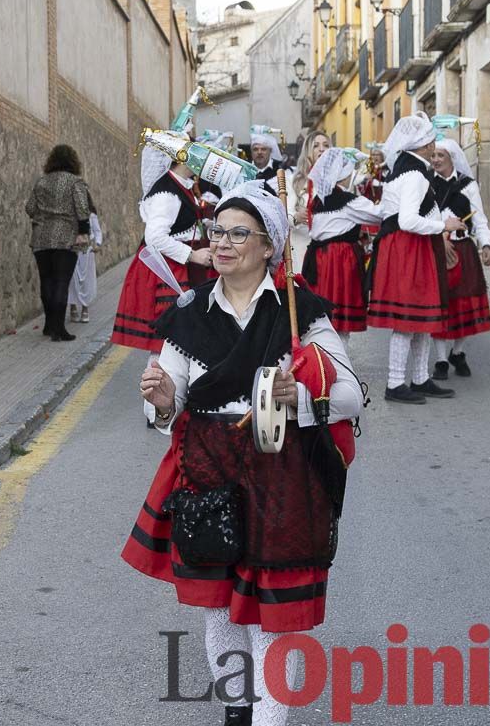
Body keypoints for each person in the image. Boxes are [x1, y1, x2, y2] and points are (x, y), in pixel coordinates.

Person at [124, 182, 364, 726]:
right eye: (217, 231)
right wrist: (163, 403)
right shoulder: (188, 313)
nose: (224, 243)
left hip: (282, 468)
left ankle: (269, 721)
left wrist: (298, 395)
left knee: (273, 614)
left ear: (268, 246)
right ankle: (236, 710)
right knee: (219, 602)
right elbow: (173, 400)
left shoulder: (302, 313)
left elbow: (350, 393)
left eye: (239, 233)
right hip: (207, 466)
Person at [369, 113, 468, 403]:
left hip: (412, 247)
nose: (434, 144)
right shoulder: (413, 175)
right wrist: (444, 226)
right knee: (407, 319)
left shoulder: (407, 170)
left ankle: (420, 378)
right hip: (408, 247)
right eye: (430, 139)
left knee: (421, 317)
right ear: (423, 144)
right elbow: (408, 220)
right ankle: (395, 382)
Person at [111, 150, 211, 353]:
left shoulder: (179, 186)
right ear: (183, 159)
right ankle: (158, 383)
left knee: (176, 341)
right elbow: (154, 238)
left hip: (174, 267)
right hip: (166, 271)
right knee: (167, 343)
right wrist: (193, 255)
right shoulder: (167, 193)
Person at [429, 138, 490, 379]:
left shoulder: (468, 185)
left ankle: (458, 351)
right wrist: (439, 235)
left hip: (463, 248)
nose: (435, 159)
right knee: (439, 304)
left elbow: (479, 219)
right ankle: (441, 360)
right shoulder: (427, 184)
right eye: (433, 155)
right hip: (437, 248)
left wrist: (486, 243)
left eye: (440, 156)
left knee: (463, 303)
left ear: (452, 159)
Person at [302, 148, 383, 336]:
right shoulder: (347, 201)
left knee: (322, 319)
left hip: (320, 258)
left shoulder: (318, 200)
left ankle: (326, 359)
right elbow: (378, 215)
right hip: (338, 260)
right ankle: (338, 362)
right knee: (338, 319)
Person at [26, 145, 92, 342]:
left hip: (41, 238)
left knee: (46, 280)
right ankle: (59, 329)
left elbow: (30, 207)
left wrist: (43, 217)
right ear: (73, 161)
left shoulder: (41, 182)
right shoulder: (75, 182)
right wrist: (83, 231)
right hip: (65, 237)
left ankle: (48, 325)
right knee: (61, 281)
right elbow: (82, 207)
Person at [68, 191, 102, 324]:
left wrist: (98, 244)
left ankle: (85, 309)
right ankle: (72, 307)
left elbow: (97, 231)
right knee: (71, 281)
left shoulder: (91, 215)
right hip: (71, 252)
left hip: (86, 253)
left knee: (85, 281)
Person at [249, 131, 297, 221]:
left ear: (270, 151)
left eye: (263, 149)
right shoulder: (245, 171)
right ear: (251, 151)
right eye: (255, 149)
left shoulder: (282, 170)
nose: (259, 152)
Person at [293, 130, 331, 226]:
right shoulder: (293, 180)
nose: (322, 149)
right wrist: (296, 216)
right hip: (302, 238)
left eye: (326, 145)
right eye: (316, 146)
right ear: (307, 151)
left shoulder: (338, 180)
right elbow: (286, 212)